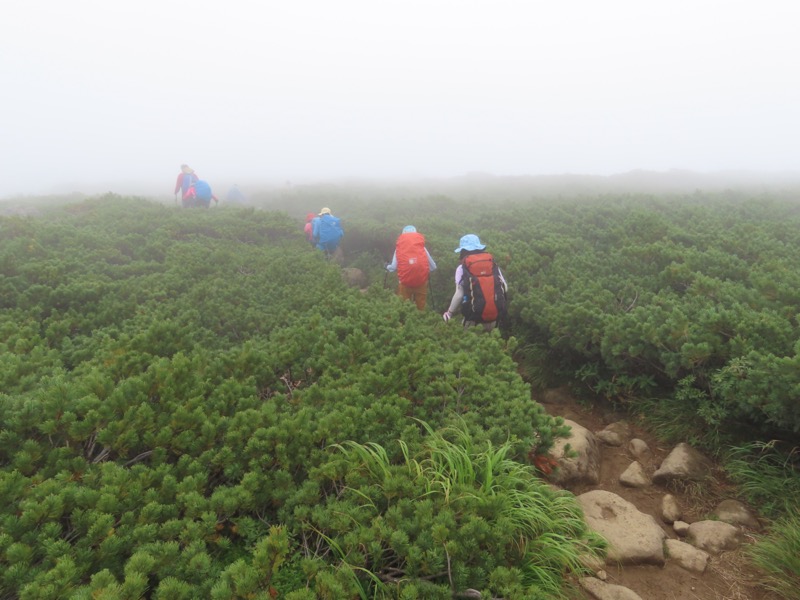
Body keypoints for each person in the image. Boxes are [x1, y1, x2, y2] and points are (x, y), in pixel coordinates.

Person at [442, 234, 508, 332]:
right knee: (491, 345)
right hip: (494, 318)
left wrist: (450, 313)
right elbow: (505, 288)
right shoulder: (492, 264)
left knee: (469, 345)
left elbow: (459, 294)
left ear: (463, 251)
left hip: (473, 320)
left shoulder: (462, 268)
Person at [386, 225, 437, 310]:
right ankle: (421, 320)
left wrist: (386, 266)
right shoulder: (422, 248)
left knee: (404, 307)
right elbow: (433, 266)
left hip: (404, 283)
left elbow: (393, 267)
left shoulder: (399, 249)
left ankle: (405, 322)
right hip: (421, 282)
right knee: (421, 307)